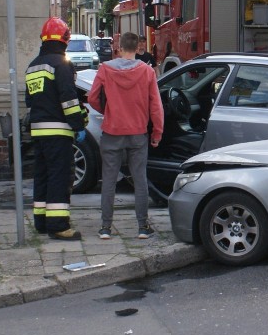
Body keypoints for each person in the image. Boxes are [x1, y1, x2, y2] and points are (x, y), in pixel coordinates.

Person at [88, 32, 164, 240]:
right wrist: (156, 132)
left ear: (119, 48)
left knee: (109, 180)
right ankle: (142, 227)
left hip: (112, 132)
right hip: (138, 133)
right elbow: (156, 106)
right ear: (137, 48)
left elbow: (92, 97)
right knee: (140, 179)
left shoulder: (105, 69)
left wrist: (108, 111)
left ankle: (105, 227)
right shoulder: (147, 72)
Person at [24, 17, 86, 241]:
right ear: (65, 39)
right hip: (58, 131)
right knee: (60, 177)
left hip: (38, 131)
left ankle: (41, 222)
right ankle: (59, 226)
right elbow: (68, 99)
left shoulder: (33, 65)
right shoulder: (62, 64)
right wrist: (78, 124)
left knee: (42, 176)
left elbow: (29, 101)